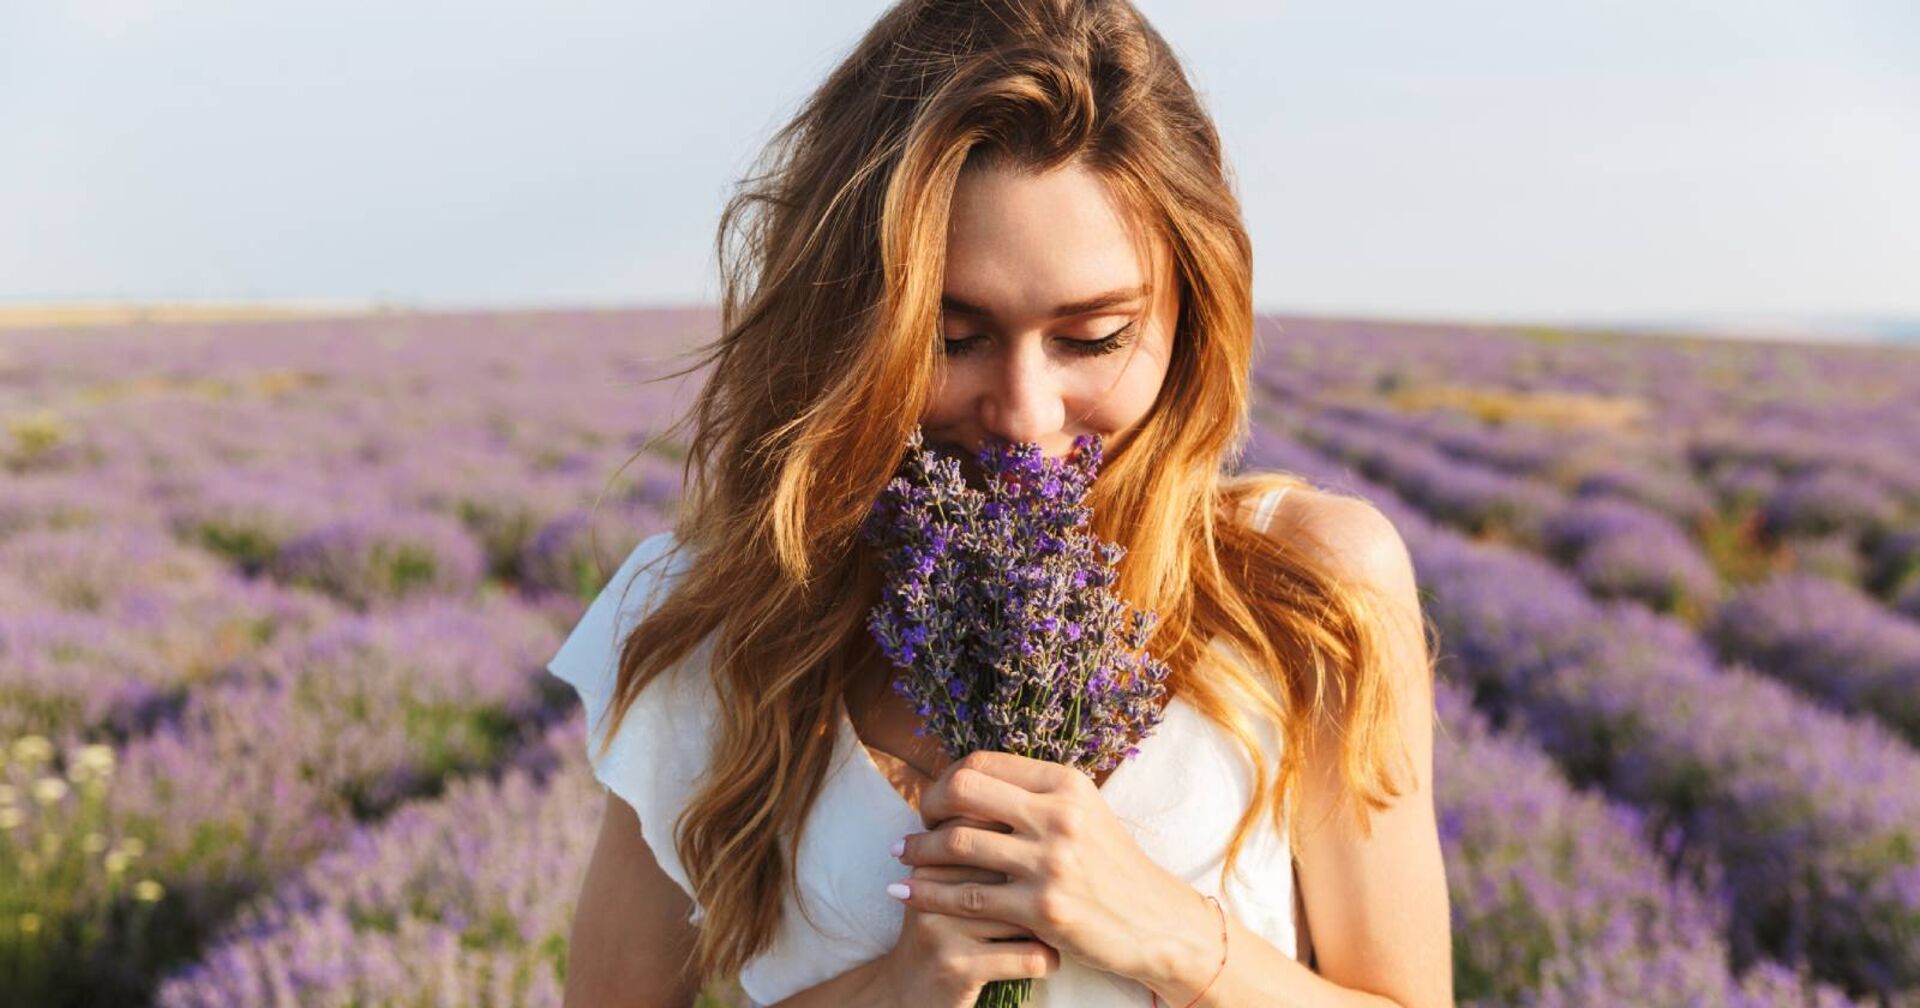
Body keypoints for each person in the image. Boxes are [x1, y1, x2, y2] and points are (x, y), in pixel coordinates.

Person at [548, 1, 1451, 1006]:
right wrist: (894, 990)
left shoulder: (1308, 586)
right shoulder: (714, 625)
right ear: (850, 325)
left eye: (1094, 337)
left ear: (1193, 313)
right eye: (953, 336)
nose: (1025, 415)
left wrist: (1174, 935)